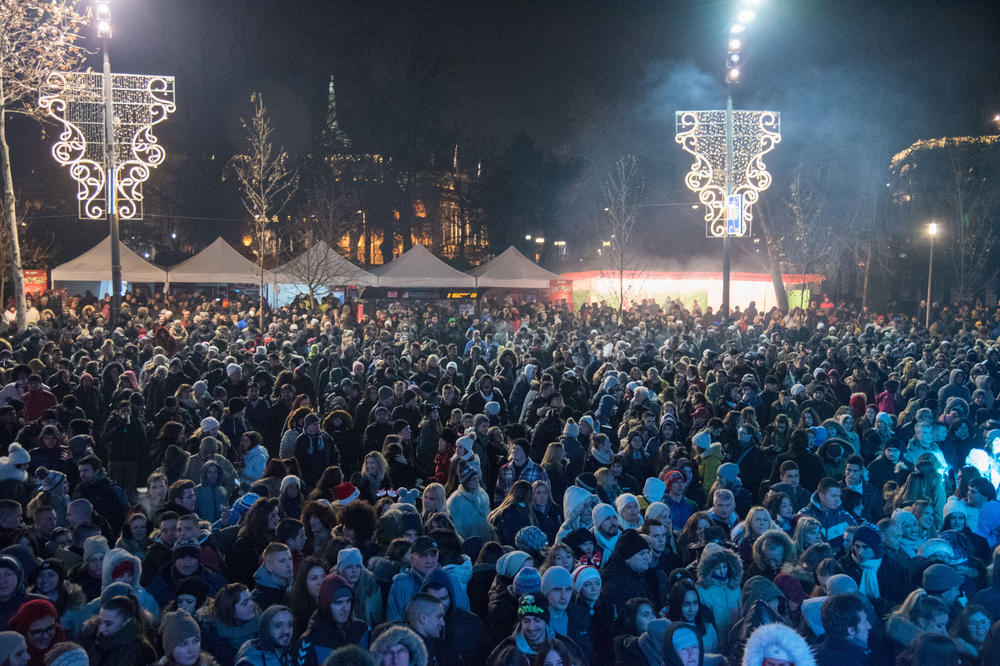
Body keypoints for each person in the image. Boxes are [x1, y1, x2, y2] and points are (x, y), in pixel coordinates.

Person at [294, 573, 370, 666]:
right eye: (338, 602)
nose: (345, 608)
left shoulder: (363, 630)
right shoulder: (309, 641)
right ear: (326, 604)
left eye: (348, 601)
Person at [81, 593, 158, 666]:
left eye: (108, 624)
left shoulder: (141, 650)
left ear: (126, 622)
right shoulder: (94, 640)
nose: (101, 629)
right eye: (100, 622)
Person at [815, 593, 873, 666]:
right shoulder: (852, 662)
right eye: (864, 621)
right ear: (851, 631)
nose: (869, 626)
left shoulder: (814, 652)